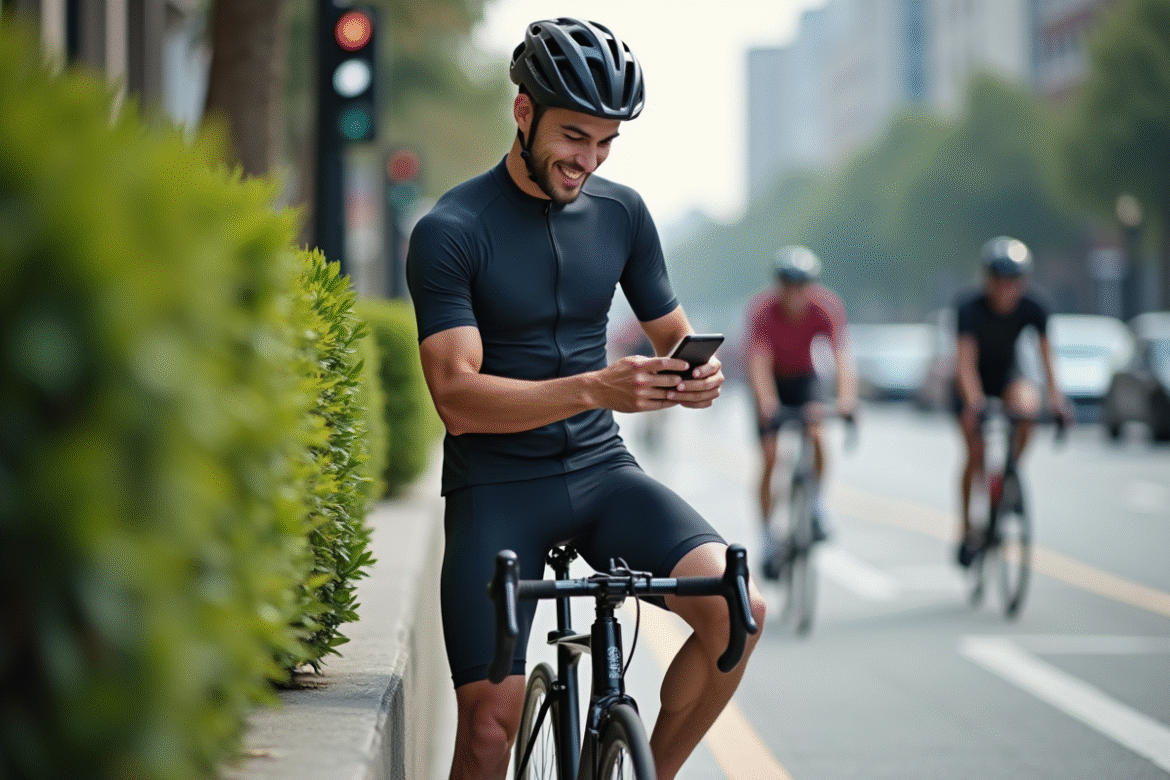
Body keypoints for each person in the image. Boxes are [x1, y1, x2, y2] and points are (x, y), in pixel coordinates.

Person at [405, 18, 766, 780]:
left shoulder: (622, 214)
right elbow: (457, 399)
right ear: (523, 111)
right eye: (574, 136)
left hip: (602, 475)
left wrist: (695, 376)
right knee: (488, 730)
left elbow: (674, 335)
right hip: (497, 488)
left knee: (738, 612)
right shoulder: (451, 230)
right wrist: (597, 387)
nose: (589, 159)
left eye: (606, 142)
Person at [952, 236, 1070, 567]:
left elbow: (1047, 359)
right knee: (974, 452)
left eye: (1013, 281)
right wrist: (974, 403)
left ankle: (1010, 473)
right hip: (972, 380)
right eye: (999, 281)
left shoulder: (1035, 306)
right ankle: (967, 528)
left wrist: (1057, 401)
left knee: (1027, 407)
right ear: (987, 280)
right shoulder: (969, 307)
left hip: (1007, 374)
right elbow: (965, 363)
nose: (1006, 289)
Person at [743, 245, 857, 576]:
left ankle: (818, 503)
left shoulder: (826, 307)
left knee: (817, 431)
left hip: (804, 378)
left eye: (802, 285)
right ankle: (767, 536)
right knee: (770, 457)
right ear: (777, 285)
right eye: (787, 285)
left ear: (811, 286)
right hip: (771, 381)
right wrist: (767, 403)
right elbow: (759, 362)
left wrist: (846, 400)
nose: (794, 293)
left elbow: (841, 356)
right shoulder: (762, 310)